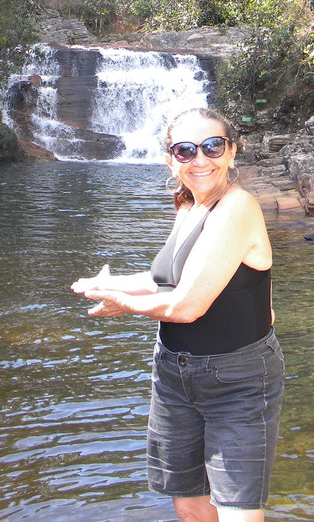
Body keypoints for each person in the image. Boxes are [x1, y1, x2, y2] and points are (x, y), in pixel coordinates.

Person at [71, 107, 284, 522]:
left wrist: (123, 304)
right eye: (186, 150)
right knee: (189, 506)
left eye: (212, 146)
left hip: (236, 379)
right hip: (173, 375)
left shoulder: (237, 207)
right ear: (171, 160)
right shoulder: (188, 205)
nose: (200, 160)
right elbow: (167, 281)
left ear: (232, 152)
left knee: (238, 512)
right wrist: (106, 286)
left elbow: (185, 306)